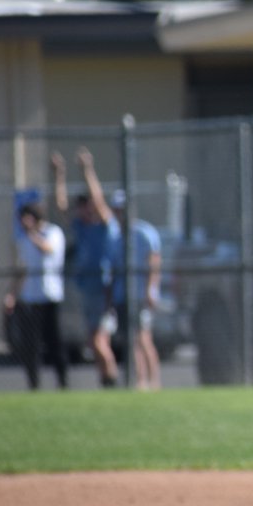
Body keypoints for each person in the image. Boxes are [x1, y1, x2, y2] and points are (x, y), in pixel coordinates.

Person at [53, 148, 121, 387]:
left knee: (98, 341)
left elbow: (99, 201)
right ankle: (106, 379)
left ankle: (112, 378)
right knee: (96, 342)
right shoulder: (81, 227)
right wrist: (59, 174)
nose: (81, 209)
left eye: (85, 205)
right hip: (87, 289)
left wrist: (87, 170)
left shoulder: (105, 226)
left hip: (104, 290)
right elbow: (61, 207)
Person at [4, 202, 68, 389]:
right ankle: (34, 384)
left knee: (55, 343)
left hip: (50, 297)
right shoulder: (23, 240)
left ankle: (62, 383)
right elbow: (22, 269)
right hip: (30, 299)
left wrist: (32, 233)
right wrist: (13, 295)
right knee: (30, 345)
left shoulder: (53, 233)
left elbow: (48, 250)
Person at [107, 189, 164, 390]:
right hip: (122, 296)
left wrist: (151, 290)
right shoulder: (115, 237)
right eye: (116, 209)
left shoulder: (144, 232)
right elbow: (113, 270)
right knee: (130, 341)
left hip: (139, 295)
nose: (119, 213)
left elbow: (154, 263)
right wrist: (111, 297)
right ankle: (139, 381)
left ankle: (154, 381)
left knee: (143, 338)